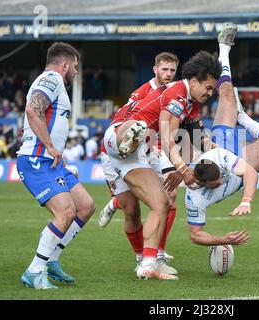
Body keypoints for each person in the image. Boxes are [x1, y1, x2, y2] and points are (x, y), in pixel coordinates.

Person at [103, 49, 222, 280]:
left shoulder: (192, 102)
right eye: (208, 88)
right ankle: (131, 132)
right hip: (119, 140)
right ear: (194, 81)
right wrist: (183, 169)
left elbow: (197, 139)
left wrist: (217, 155)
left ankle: (148, 264)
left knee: (161, 203)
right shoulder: (177, 93)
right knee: (136, 129)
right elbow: (168, 139)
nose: (210, 93)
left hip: (138, 153)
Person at [177, 23, 259, 246]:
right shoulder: (194, 198)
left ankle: (223, 47)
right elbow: (195, 235)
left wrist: (246, 201)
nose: (221, 181)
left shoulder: (219, 159)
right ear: (203, 183)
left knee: (227, 95)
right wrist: (221, 240)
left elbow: (251, 174)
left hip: (226, 152)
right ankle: (241, 117)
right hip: (233, 161)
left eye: (220, 177)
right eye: (216, 183)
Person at [16, 42, 95, 289]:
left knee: (85, 206)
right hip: (38, 159)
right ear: (65, 64)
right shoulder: (52, 78)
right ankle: (35, 270)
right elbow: (33, 109)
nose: (76, 72)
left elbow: (39, 114)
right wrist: (49, 145)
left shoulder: (54, 82)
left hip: (53, 162)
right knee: (65, 212)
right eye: (75, 67)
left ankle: (51, 260)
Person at [98, 52, 181, 275]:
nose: (169, 74)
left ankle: (157, 257)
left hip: (149, 146)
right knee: (132, 209)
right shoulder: (142, 92)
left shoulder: (174, 94)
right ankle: (138, 254)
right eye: (165, 69)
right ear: (155, 70)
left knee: (169, 197)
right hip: (119, 150)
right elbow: (127, 122)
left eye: (172, 70)